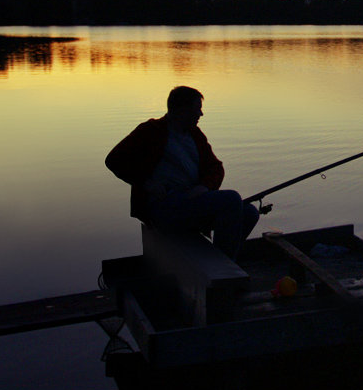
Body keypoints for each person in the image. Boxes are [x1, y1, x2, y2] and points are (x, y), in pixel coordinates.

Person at [106, 86, 259, 260]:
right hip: (163, 208)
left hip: (192, 203)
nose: (201, 114)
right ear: (182, 110)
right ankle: (224, 266)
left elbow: (216, 167)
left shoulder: (195, 135)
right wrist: (146, 184)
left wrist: (203, 187)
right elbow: (113, 160)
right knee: (231, 199)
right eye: (197, 109)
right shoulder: (151, 130)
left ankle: (221, 262)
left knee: (249, 213)